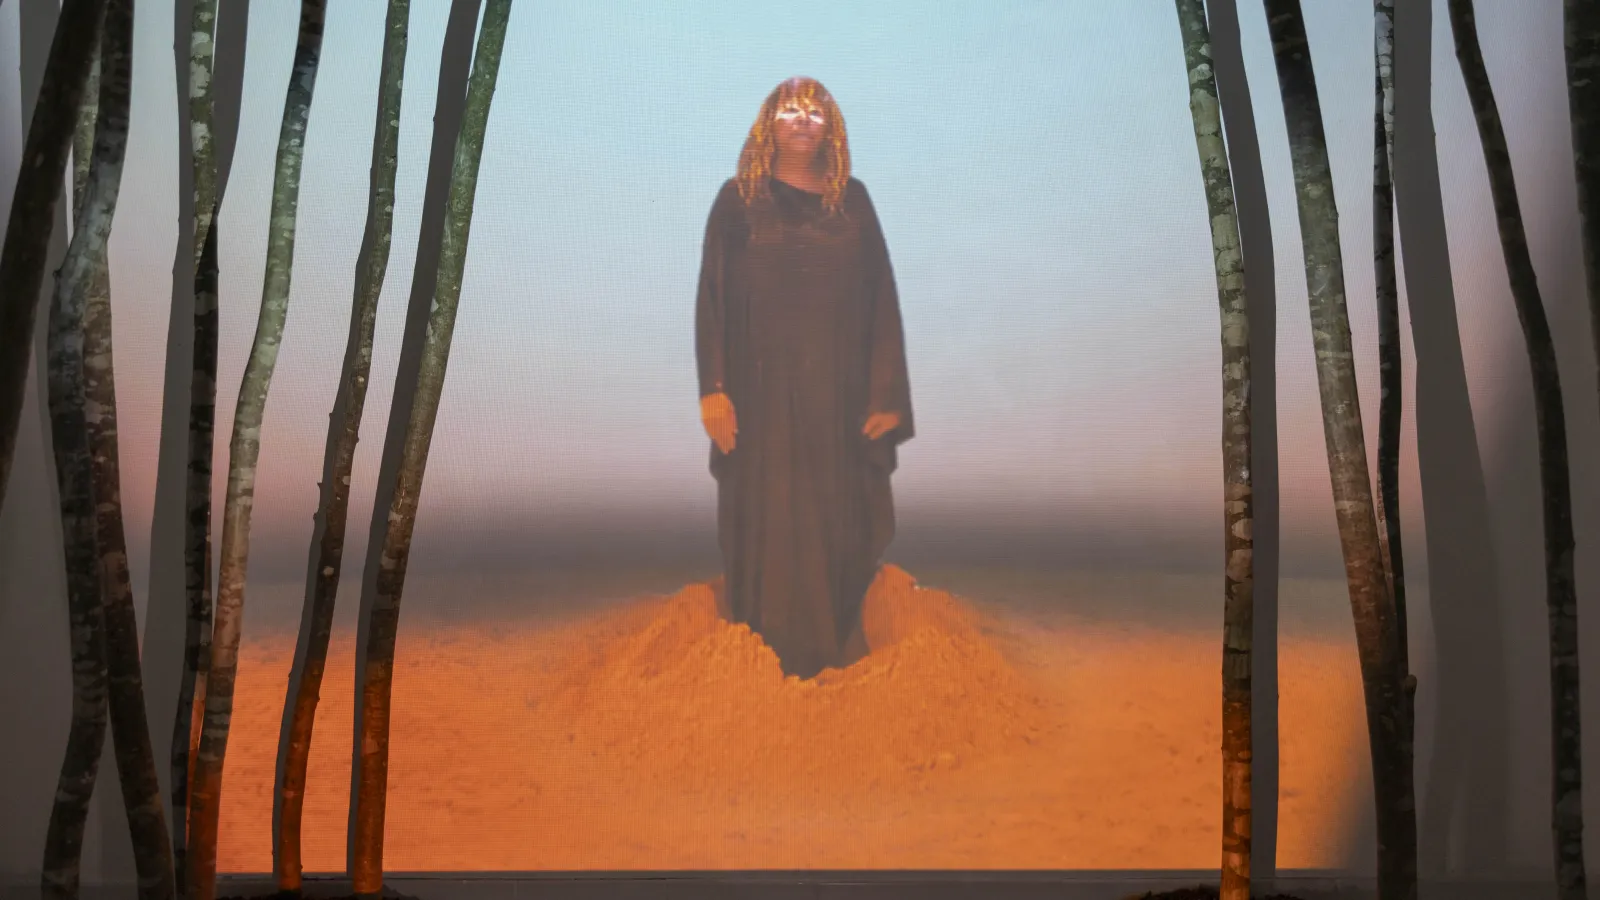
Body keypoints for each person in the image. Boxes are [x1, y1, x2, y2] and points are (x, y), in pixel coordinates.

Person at [694, 76, 915, 679]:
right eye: (789, 109)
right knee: (767, 519)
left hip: (839, 400)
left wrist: (887, 395)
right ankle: (765, 663)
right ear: (769, 123)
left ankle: (836, 661)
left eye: (815, 111)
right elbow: (711, 298)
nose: (802, 119)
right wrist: (713, 389)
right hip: (759, 397)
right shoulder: (737, 201)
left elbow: (882, 298)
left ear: (831, 128)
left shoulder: (854, 203)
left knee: (837, 520)